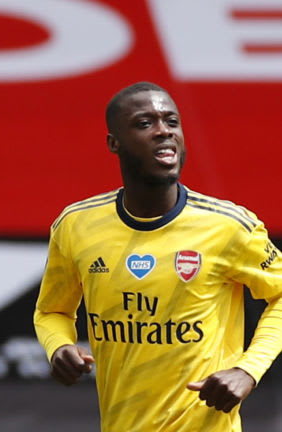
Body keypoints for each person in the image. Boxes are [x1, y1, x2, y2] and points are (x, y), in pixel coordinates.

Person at [33, 81, 282, 431]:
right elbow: (51, 311)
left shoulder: (229, 227)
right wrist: (59, 346)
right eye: (145, 123)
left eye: (172, 121)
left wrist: (248, 369)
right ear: (114, 143)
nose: (164, 131)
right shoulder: (76, 226)